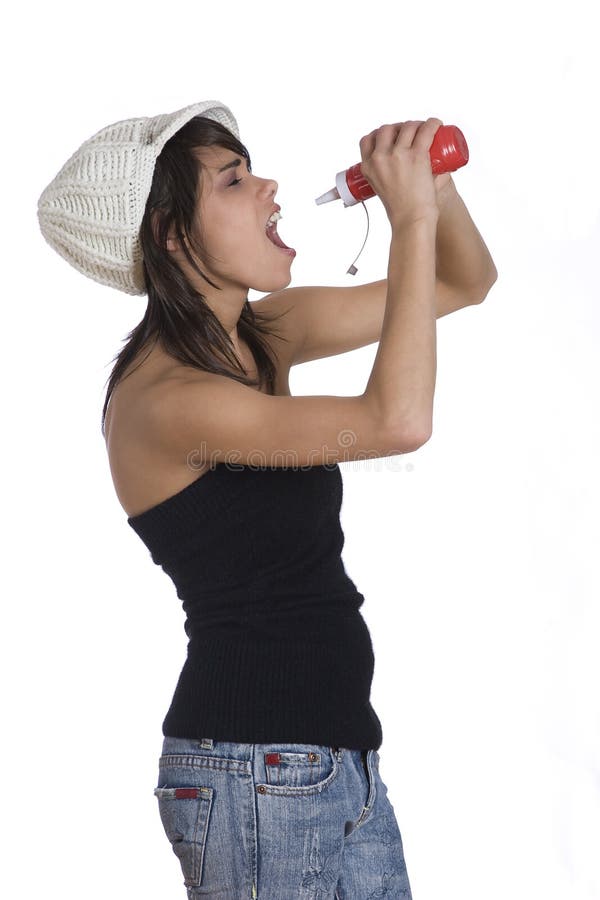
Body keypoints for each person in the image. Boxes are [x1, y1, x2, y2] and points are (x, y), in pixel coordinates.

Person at [37, 99, 449, 899]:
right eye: (234, 180)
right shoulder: (170, 398)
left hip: (336, 760)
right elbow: (397, 424)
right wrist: (410, 217)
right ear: (169, 234)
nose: (269, 188)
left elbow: (462, 284)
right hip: (255, 773)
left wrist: (432, 187)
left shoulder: (262, 337)